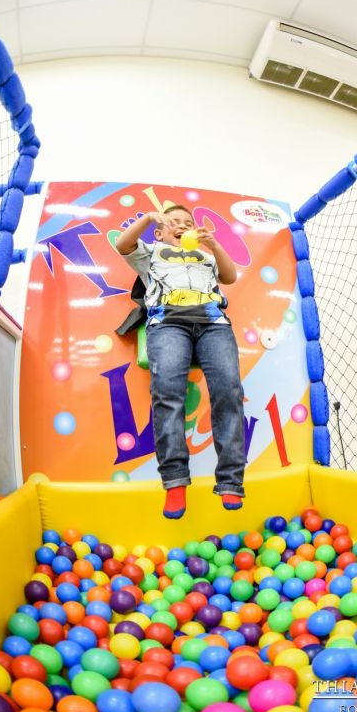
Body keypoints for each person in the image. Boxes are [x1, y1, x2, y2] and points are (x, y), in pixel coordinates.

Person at [116, 204, 246, 519]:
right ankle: (175, 481)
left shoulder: (206, 258)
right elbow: (123, 245)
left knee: (229, 391)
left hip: (213, 325)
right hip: (168, 325)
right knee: (167, 394)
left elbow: (230, 276)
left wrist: (213, 244)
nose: (182, 225)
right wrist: (148, 219)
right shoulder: (151, 252)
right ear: (161, 231)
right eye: (174, 221)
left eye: (187, 222)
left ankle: (230, 480)